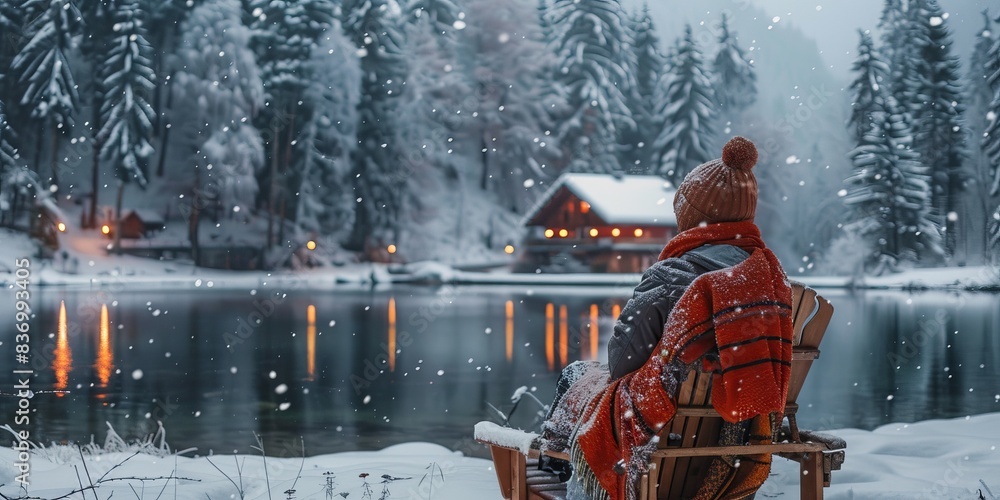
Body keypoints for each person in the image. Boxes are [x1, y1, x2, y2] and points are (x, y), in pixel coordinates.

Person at [540, 136, 794, 500]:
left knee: (575, 375)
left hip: (662, 426)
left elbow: (621, 361)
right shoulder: (768, 281)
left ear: (692, 215)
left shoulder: (673, 275)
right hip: (731, 434)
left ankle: (560, 480)